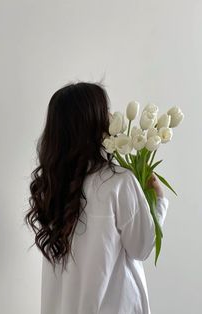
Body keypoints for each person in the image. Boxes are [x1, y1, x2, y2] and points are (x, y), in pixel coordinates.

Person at [24, 81, 169, 314]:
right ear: (92, 122)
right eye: (104, 111)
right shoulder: (119, 182)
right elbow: (141, 247)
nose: (111, 116)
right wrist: (158, 201)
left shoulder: (52, 187)